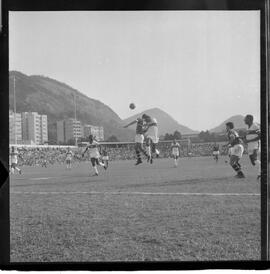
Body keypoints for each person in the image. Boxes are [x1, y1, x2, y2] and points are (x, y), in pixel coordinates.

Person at [243, 114, 261, 180]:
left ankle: (260, 173)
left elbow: (260, 136)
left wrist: (249, 140)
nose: (244, 120)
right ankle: (261, 171)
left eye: (245, 119)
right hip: (250, 145)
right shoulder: (247, 127)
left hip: (255, 144)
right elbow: (247, 136)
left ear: (250, 119)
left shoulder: (255, 126)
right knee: (253, 162)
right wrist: (245, 139)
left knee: (255, 159)